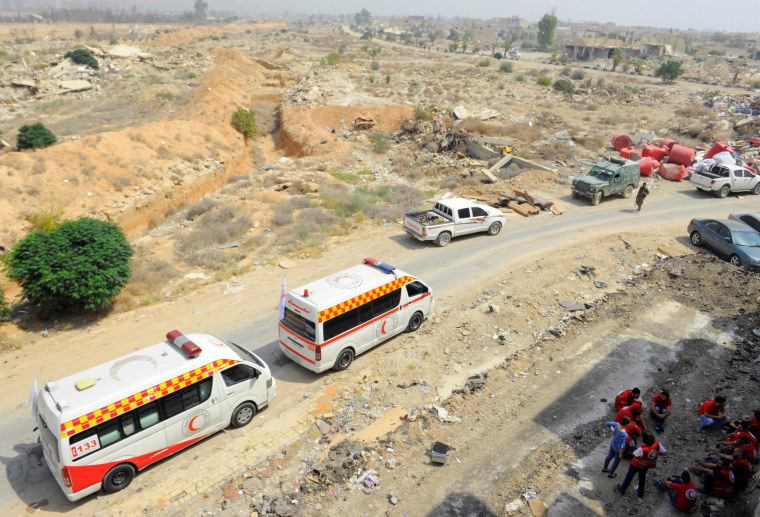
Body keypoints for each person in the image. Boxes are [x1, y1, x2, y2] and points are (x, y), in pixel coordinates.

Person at [618, 430, 668, 502]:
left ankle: (622, 490)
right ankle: (640, 494)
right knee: (642, 479)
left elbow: (634, 454)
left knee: (629, 476)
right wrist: (656, 453)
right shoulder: (657, 445)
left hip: (636, 464)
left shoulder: (642, 448)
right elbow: (665, 453)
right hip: (646, 465)